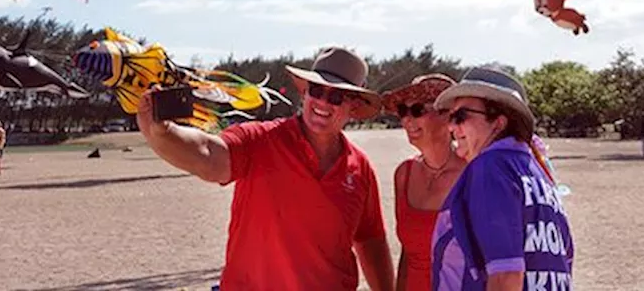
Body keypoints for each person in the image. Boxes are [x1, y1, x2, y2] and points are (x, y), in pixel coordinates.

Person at [137, 46, 395, 291]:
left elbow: (370, 240)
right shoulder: (260, 140)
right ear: (304, 93)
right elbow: (208, 156)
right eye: (317, 90)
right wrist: (164, 132)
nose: (323, 102)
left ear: (354, 106)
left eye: (337, 96)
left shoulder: (359, 168)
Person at [432, 66, 574, 291]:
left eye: (461, 116)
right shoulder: (538, 174)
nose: (451, 126)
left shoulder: (491, 167)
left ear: (498, 123)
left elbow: (506, 276)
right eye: (451, 117)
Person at [382, 74, 465, 291]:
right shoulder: (404, 174)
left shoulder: (473, 173)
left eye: (418, 110)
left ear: (449, 116)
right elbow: (407, 256)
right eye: (403, 111)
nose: (407, 120)